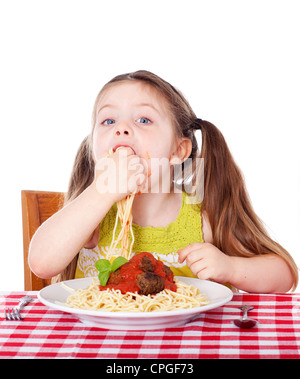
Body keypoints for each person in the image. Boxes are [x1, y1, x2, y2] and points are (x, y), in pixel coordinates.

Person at [29, 70, 298, 293]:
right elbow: (41, 263)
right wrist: (100, 192)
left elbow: (285, 275)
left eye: (144, 119)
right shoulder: (91, 216)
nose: (121, 128)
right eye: (108, 120)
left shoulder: (202, 218)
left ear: (178, 150)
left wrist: (232, 268)